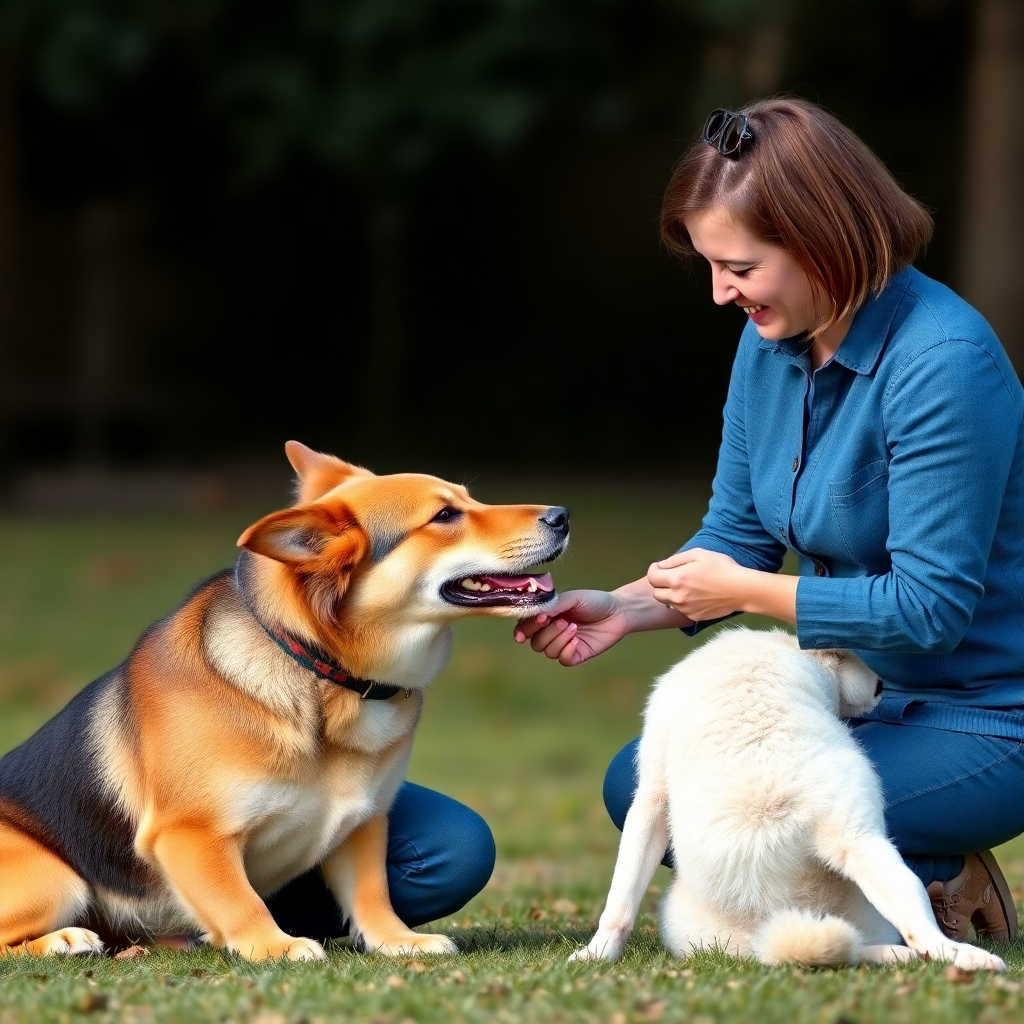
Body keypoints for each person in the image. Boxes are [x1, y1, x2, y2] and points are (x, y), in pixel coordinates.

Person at [515, 97, 1024, 943]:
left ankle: (939, 873)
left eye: (740, 267)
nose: (721, 294)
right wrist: (631, 606)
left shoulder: (945, 363)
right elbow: (735, 534)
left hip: (983, 718)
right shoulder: (769, 343)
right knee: (641, 787)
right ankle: (910, 878)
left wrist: (747, 592)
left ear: (827, 240)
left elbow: (929, 611)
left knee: (756, 817)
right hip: (841, 698)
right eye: (712, 267)